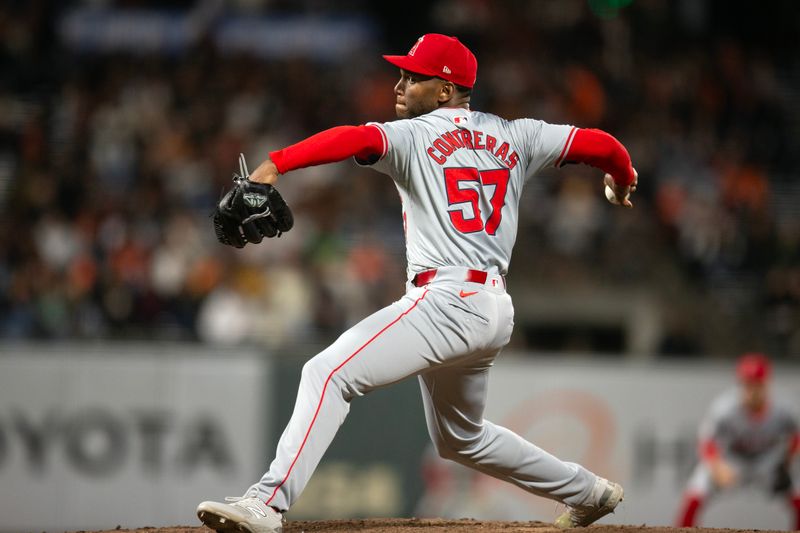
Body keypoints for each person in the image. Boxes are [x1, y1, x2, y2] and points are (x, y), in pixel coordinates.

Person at [197, 33, 637, 532]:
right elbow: (603, 145)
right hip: (493, 308)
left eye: (413, 76)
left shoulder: (415, 134)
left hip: (446, 300)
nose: (400, 84)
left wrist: (273, 165)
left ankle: (266, 502)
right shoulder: (520, 135)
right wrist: (620, 180)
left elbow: (354, 139)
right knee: (460, 439)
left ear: (445, 91)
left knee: (327, 373)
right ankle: (589, 492)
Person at [676, 352, 800, 528]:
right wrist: (717, 465)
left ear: (766, 384)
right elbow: (706, 441)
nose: (752, 390)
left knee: (797, 492)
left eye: (756, 384)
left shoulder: (783, 410)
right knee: (696, 489)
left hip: (768, 461)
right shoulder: (724, 408)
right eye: (747, 384)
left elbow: (796, 436)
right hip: (731, 460)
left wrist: (788, 460)